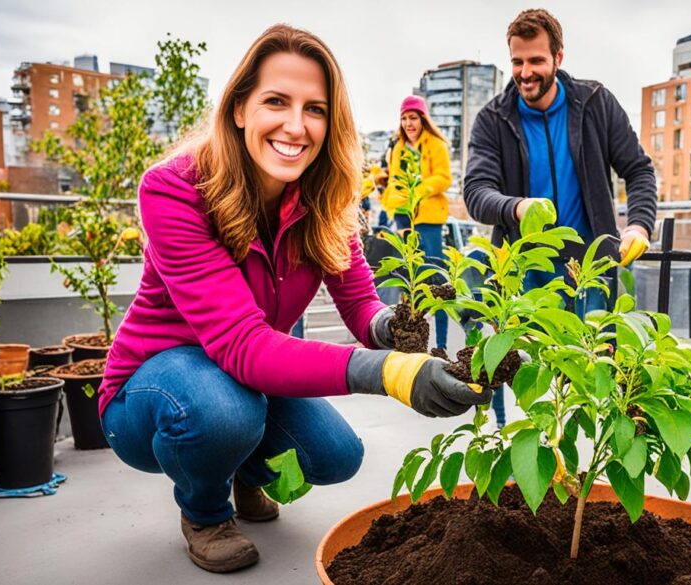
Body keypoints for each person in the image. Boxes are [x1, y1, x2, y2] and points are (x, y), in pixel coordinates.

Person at [98, 24, 489, 574]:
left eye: (315, 109)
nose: (296, 126)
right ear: (239, 109)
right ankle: (205, 510)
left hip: (242, 377)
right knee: (222, 414)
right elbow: (241, 344)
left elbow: (358, 305)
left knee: (335, 457)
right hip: (153, 390)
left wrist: (390, 329)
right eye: (276, 102)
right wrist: (394, 373)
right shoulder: (175, 189)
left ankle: (233, 470)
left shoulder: (323, 196)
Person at [464, 9, 658, 426]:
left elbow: (639, 169)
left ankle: (585, 477)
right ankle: (528, 464)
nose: (525, 72)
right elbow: (476, 193)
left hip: (591, 269)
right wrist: (517, 206)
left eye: (536, 61)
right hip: (526, 272)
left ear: (558, 57)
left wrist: (640, 224)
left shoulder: (594, 103)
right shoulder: (493, 119)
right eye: (517, 61)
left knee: (597, 380)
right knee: (528, 385)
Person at [381, 96, 453, 351]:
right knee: (407, 281)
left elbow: (444, 178)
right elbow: (394, 183)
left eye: (413, 117)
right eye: (404, 118)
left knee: (437, 283)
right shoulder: (398, 147)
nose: (408, 123)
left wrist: (418, 190)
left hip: (428, 221)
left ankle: (442, 344)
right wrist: (393, 206)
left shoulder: (435, 144)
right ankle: (412, 342)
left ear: (423, 119)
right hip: (403, 218)